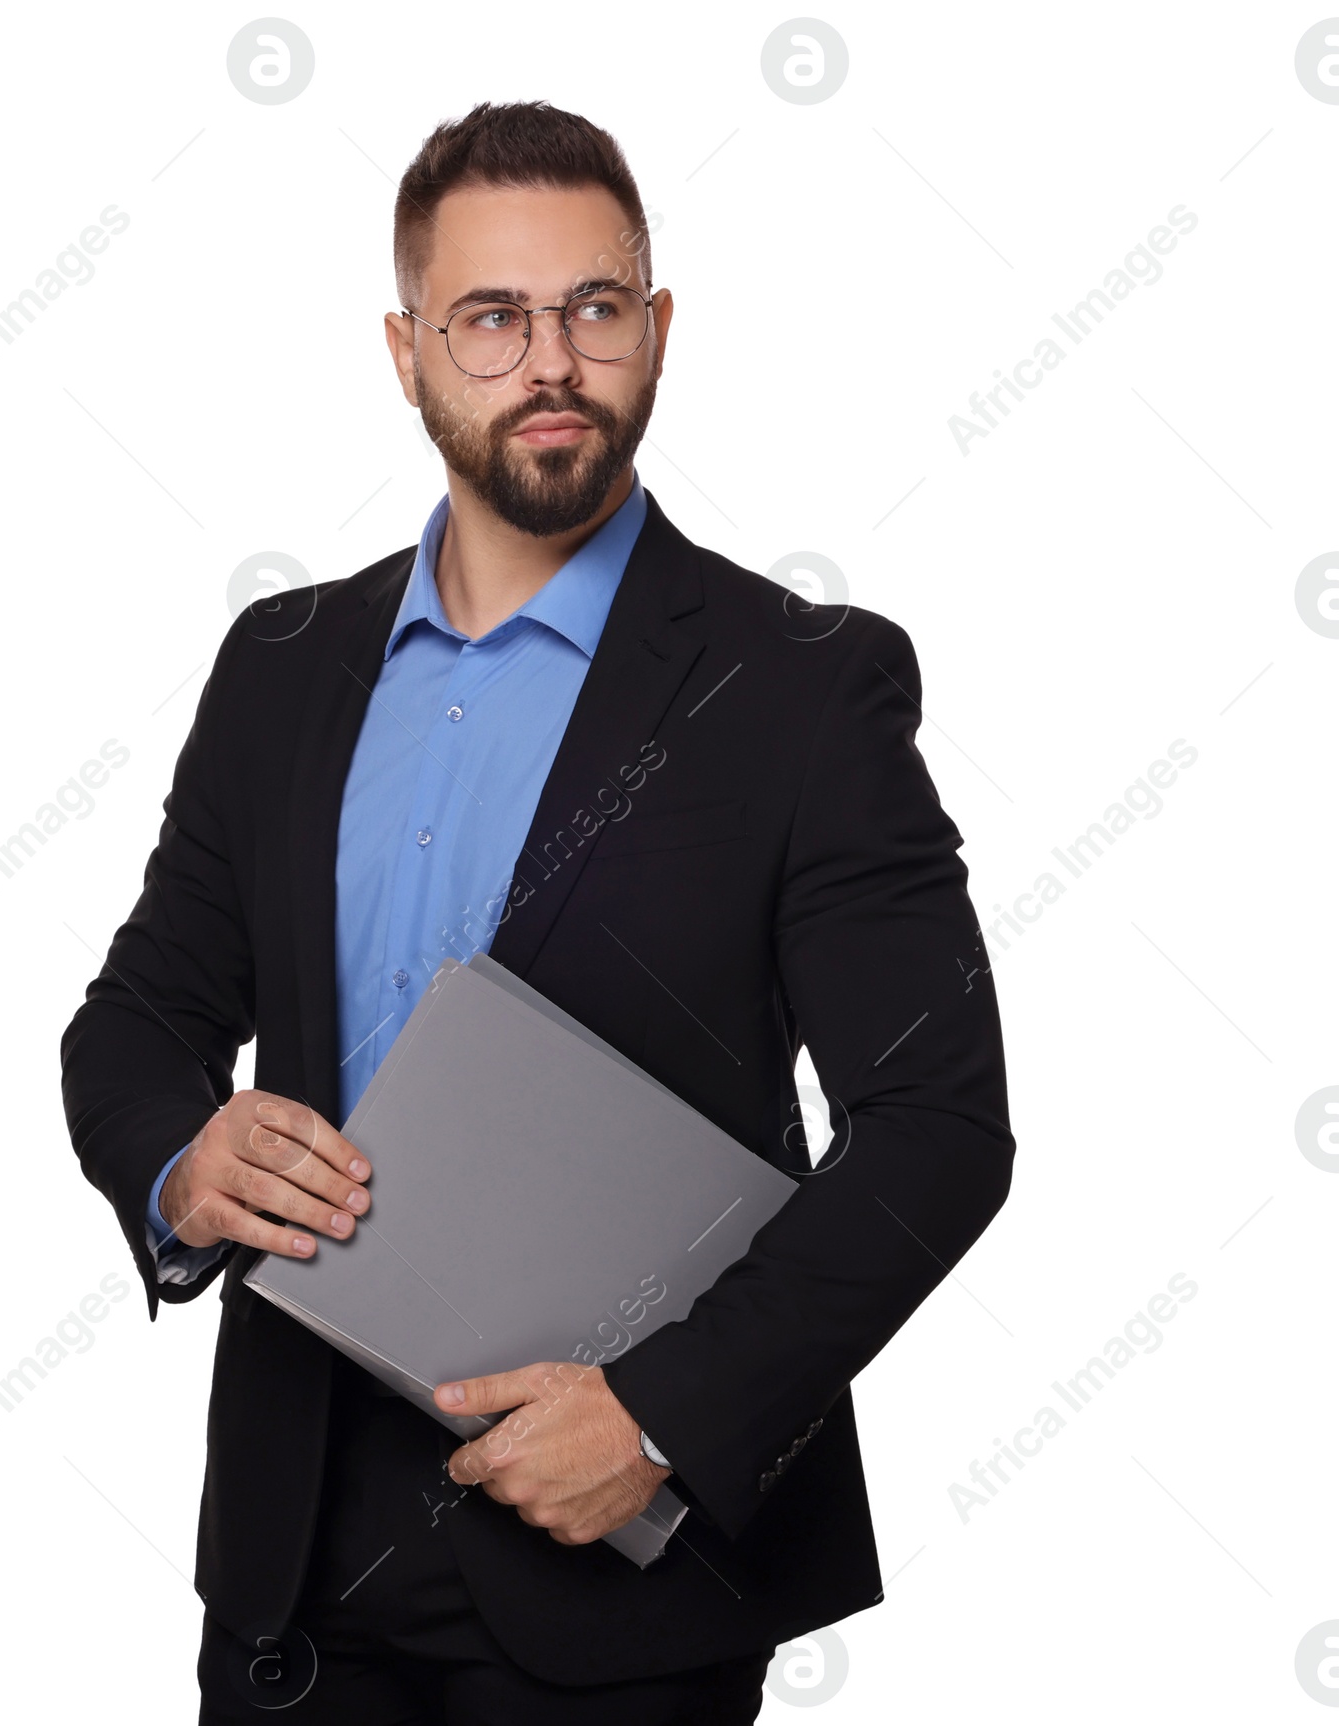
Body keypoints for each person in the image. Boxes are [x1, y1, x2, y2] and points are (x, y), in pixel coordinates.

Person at [61, 99, 1014, 1726]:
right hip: (294, 1546)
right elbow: (140, 1016)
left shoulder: (801, 688)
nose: (550, 359)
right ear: (407, 350)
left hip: (616, 1566)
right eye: (491, 317)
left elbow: (938, 1129)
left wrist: (660, 1415)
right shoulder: (281, 667)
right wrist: (179, 1155)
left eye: (595, 307)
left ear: (657, 331)